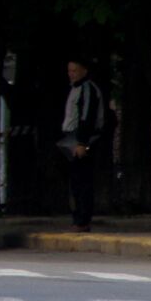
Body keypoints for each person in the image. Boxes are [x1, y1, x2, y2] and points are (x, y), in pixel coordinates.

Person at [61, 57, 105, 230]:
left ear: (84, 71)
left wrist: (82, 143)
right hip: (72, 137)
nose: (71, 74)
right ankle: (77, 217)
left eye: (75, 70)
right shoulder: (74, 89)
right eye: (69, 71)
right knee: (75, 181)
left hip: (83, 139)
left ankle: (83, 220)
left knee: (83, 180)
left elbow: (87, 117)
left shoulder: (88, 89)